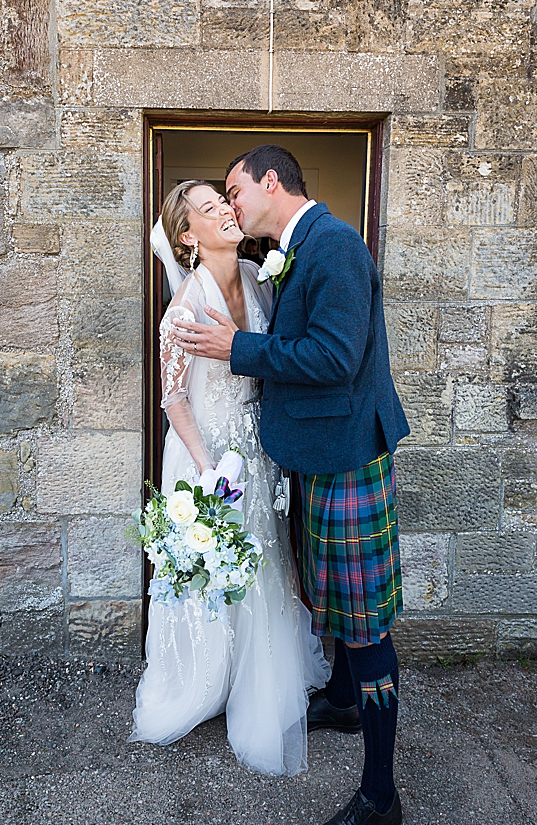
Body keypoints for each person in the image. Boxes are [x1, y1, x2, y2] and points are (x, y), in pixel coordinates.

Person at [172, 146, 410, 825]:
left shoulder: (333, 246)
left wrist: (237, 349)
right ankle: (340, 698)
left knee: (364, 624)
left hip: (345, 457)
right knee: (326, 595)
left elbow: (335, 356)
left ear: (270, 181)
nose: (231, 202)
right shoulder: (295, 247)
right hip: (316, 453)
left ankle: (380, 794)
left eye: (235, 188)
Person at [130, 180, 330, 776]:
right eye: (210, 208)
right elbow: (173, 401)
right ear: (188, 237)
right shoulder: (184, 308)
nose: (226, 210)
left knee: (266, 559)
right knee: (215, 572)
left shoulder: (255, 274)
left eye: (225, 200)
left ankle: (261, 669)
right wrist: (207, 471)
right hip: (206, 458)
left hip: (256, 447)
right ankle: (203, 680)